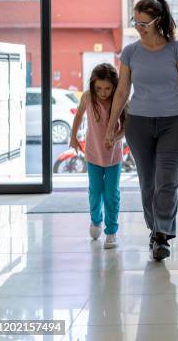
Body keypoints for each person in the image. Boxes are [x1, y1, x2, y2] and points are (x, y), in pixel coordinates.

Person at [105, 0, 178, 261]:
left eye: (144, 23)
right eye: (136, 22)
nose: (139, 27)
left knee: (166, 181)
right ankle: (154, 230)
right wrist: (111, 127)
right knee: (147, 183)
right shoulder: (131, 52)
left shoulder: (177, 49)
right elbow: (122, 92)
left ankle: (162, 236)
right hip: (138, 123)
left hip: (173, 121)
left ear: (158, 22)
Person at [70, 63, 125, 249]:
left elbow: (125, 127)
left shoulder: (119, 99)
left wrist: (115, 138)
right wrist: (73, 136)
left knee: (111, 194)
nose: (103, 92)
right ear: (93, 86)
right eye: (99, 88)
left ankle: (111, 231)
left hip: (113, 157)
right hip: (93, 154)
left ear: (114, 86)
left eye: (107, 88)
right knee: (95, 191)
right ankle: (95, 221)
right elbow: (78, 116)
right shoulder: (87, 97)